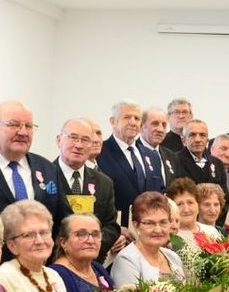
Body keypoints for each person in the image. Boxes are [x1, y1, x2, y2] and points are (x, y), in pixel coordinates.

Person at [0, 100, 67, 227]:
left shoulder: (48, 168)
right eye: (14, 125)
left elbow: (62, 220)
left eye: (29, 126)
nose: (23, 132)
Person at [53, 117, 123, 261]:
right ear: (59, 140)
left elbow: (111, 226)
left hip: (92, 263)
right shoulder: (44, 176)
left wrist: (89, 247)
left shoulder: (104, 183)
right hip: (53, 262)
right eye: (73, 138)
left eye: (85, 140)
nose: (78, 145)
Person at [97, 100, 165, 229]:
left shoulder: (152, 156)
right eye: (127, 117)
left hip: (149, 231)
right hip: (116, 232)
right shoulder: (100, 153)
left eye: (137, 118)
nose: (133, 122)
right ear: (113, 121)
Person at [170, 119, 227, 190]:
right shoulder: (173, 161)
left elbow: (225, 197)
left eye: (202, 135)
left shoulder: (217, 164)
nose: (198, 140)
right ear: (183, 140)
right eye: (192, 135)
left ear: (207, 140)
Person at [139, 106, 178, 186]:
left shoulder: (172, 156)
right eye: (155, 124)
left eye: (164, 125)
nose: (160, 129)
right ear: (142, 127)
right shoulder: (134, 153)